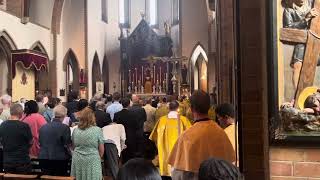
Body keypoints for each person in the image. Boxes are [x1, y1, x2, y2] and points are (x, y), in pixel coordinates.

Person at [168, 90, 235, 180]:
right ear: (209, 107)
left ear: (191, 109)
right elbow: (230, 164)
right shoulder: (221, 133)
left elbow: (178, 173)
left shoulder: (187, 136)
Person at [282, 0, 320, 89]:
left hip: (316, 40)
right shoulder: (289, 10)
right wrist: (306, 19)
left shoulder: (312, 4)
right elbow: (288, 29)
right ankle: (298, 94)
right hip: (301, 43)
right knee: (297, 66)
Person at [150, 101, 191, 176]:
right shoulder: (183, 120)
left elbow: (154, 137)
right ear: (178, 108)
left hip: (165, 152)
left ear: (168, 108)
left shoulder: (162, 120)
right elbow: (191, 137)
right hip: (180, 152)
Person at [71, 107, 104, 180]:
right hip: (92, 159)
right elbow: (101, 150)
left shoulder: (75, 130)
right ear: (92, 117)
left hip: (78, 159)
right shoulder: (97, 130)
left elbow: (73, 147)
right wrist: (98, 158)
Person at [39, 105, 72, 176]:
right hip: (59, 159)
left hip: (44, 158)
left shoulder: (43, 127)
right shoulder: (65, 128)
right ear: (64, 115)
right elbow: (67, 145)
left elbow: (41, 142)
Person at [0, 104, 32, 174]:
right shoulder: (24, 126)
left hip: (7, 161)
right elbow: (30, 142)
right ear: (21, 113)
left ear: (11, 112)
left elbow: (1, 142)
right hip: (22, 161)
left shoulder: (3, 125)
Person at [114, 98, 139, 163]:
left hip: (120, 137)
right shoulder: (133, 114)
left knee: (122, 153)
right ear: (129, 104)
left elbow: (114, 125)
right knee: (130, 154)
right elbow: (136, 126)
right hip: (131, 136)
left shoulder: (117, 114)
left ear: (122, 104)